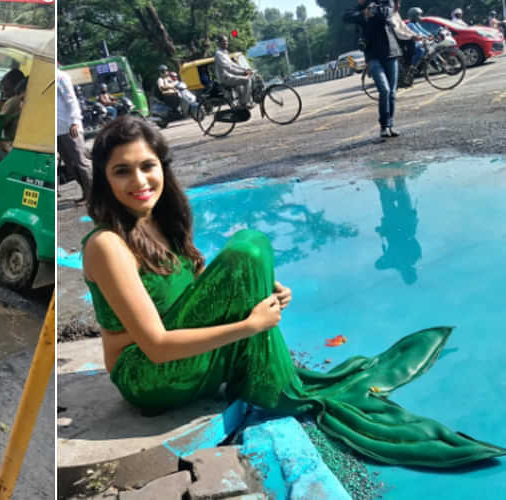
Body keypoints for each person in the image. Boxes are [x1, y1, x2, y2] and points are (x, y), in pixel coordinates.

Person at [82, 115, 506, 468]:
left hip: (181, 361)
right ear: (104, 178)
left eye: (147, 166)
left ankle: (272, 378)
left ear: (163, 168)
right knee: (247, 248)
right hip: (148, 377)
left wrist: (262, 292)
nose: (139, 180)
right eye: (122, 171)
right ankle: (278, 388)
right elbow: (155, 346)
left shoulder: (161, 220)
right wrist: (250, 326)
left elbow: (199, 291)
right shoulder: (107, 245)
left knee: (251, 254)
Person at [345, 0, 401, 138]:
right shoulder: (361, 9)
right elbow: (346, 17)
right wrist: (364, 13)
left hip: (391, 52)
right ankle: (384, 126)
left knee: (392, 93)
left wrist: (374, 10)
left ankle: (390, 124)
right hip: (373, 56)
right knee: (384, 90)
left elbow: (387, 12)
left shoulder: (383, 4)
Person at [56, 68, 93, 204]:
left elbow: (71, 99)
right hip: (57, 130)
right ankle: (85, 192)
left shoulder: (60, 76)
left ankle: (93, 195)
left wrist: (74, 121)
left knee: (81, 162)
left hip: (69, 126)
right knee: (70, 166)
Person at [214, 35, 254, 109]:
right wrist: (242, 73)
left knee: (242, 84)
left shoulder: (225, 52)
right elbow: (228, 68)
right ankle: (243, 103)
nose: (226, 43)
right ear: (219, 43)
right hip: (225, 78)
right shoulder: (218, 54)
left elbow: (233, 64)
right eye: (224, 41)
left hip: (230, 76)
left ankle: (240, 105)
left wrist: (245, 69)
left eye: (226, 41)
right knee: (247, 80)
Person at [390, 0, 423, 78]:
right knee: (410, 43)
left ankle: (407, 66)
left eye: (399, 3)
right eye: (398, 3)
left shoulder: (396, 14)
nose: (399, 5)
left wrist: (413, 35)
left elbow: (403, 26)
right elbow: (397, 31)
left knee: (412, 45)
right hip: (394, 38)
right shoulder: (390, 14)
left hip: (400, 37)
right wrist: (411, 37)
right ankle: (407, 65)